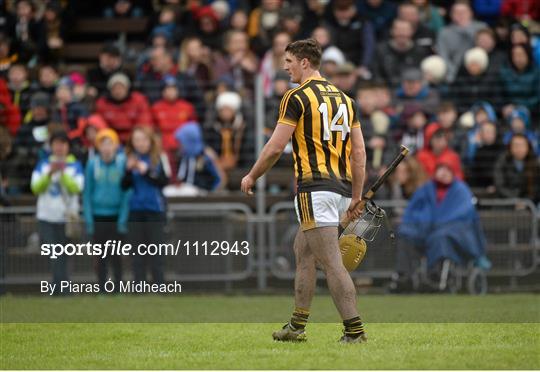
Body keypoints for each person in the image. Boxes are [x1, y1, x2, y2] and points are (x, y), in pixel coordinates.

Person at [240, 39, 368, 343]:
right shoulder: (346, 100)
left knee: (331, 262)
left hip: (315, 188)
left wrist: (252, 175)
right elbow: (359, 153)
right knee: (304, 252)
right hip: (340, 189)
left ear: (304, 63)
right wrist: (357, 196)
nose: (285, 67)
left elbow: (274, 147)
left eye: (288, 61)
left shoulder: (296, 96)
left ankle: (355, 331)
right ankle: (297, 327)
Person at [390, 158, 491, 292]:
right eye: (440, 169)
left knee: (441, 237)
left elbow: (462, 214)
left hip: (452, 234)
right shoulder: (426, 189)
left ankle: (437, 277)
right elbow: (413, 211)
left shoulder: (461, 190)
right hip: (426, 230)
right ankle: (403, 277)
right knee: (405, 233)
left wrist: (437, 224)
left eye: (447, 170)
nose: (443, 173)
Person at [31, 131, 84, 293]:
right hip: (47, 216)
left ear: (68, 147)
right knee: (53, 252)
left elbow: (76, 188)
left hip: (67, 217)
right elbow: (35, 188)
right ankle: (57, 286)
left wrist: (62, 174)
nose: (59, 148)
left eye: (63, 144)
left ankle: (64, 287)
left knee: (66, 253)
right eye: (56, 144)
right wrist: (50, 173)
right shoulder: (43, 164)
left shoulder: (75, 165)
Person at [122, 125, 170, 285]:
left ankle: (159, 285)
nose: (140, 143)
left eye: (143, 140)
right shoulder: (129, 159)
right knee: (137, 253)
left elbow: (163, 181)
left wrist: (147, 171)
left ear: (150, 141)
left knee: (156, 252)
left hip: (154, 210)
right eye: (136, 140)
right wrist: (128, 171)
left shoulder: (158, 158)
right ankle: (139, 286)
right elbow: (123, 185)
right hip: (136, 210)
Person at [83, 128, 130, 292]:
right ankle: (102, 287)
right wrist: (89, 220)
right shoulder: (92, 164)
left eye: (110, 144)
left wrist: (123, 218)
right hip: (98, 216)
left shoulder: (122, 163)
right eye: (103, 144)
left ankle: (118, 287)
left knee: (117, 255)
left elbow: (127, 192)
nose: (107, 148)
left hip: (116, 215)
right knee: (100, 255)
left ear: (116, 146)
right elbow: (87, 193)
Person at [494, 134, 539, 203]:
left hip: (529, 204)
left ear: (528, 147)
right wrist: (515, 200)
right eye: (516, 145)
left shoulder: (534, 163)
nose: (519, 149)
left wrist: (526, 201)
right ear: (510, 147)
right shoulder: (502, 161)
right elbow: (500, 186)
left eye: (522, 145)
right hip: (507, 203)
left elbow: (536, 189)